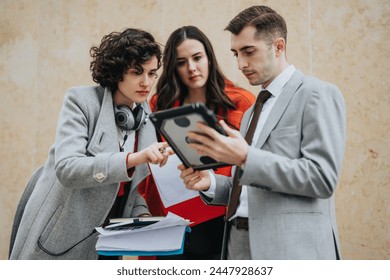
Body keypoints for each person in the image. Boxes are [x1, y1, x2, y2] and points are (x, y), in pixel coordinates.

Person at [179, 6, 346, 260]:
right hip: (236, 245)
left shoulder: (317, 94)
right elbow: (250, 189)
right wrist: (211, 182)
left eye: (248, 52)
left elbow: (321, 179)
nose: (240, 64)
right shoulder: (250, 113)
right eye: (235, 53)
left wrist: (246, 157)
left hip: (290, 251)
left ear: (278, 47)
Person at [9, 28, 173, 260]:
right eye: (137, 72)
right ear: (118, 72)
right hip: (62, 239)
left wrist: (144, 218)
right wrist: (135, 158)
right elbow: (68, 169)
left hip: (107, 246)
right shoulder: (81, 101)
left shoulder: (144, 115)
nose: (146, 82)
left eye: (152, 73)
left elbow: (131, 189)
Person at [138, 25, 255, 259]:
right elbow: (147, 164)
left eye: (197, 58)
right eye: (182, 62)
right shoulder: (160, 104)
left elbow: (252, 163)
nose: (191, 68)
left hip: (221, 217)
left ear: (209, 58)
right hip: (173, 218)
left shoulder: (241, 102)